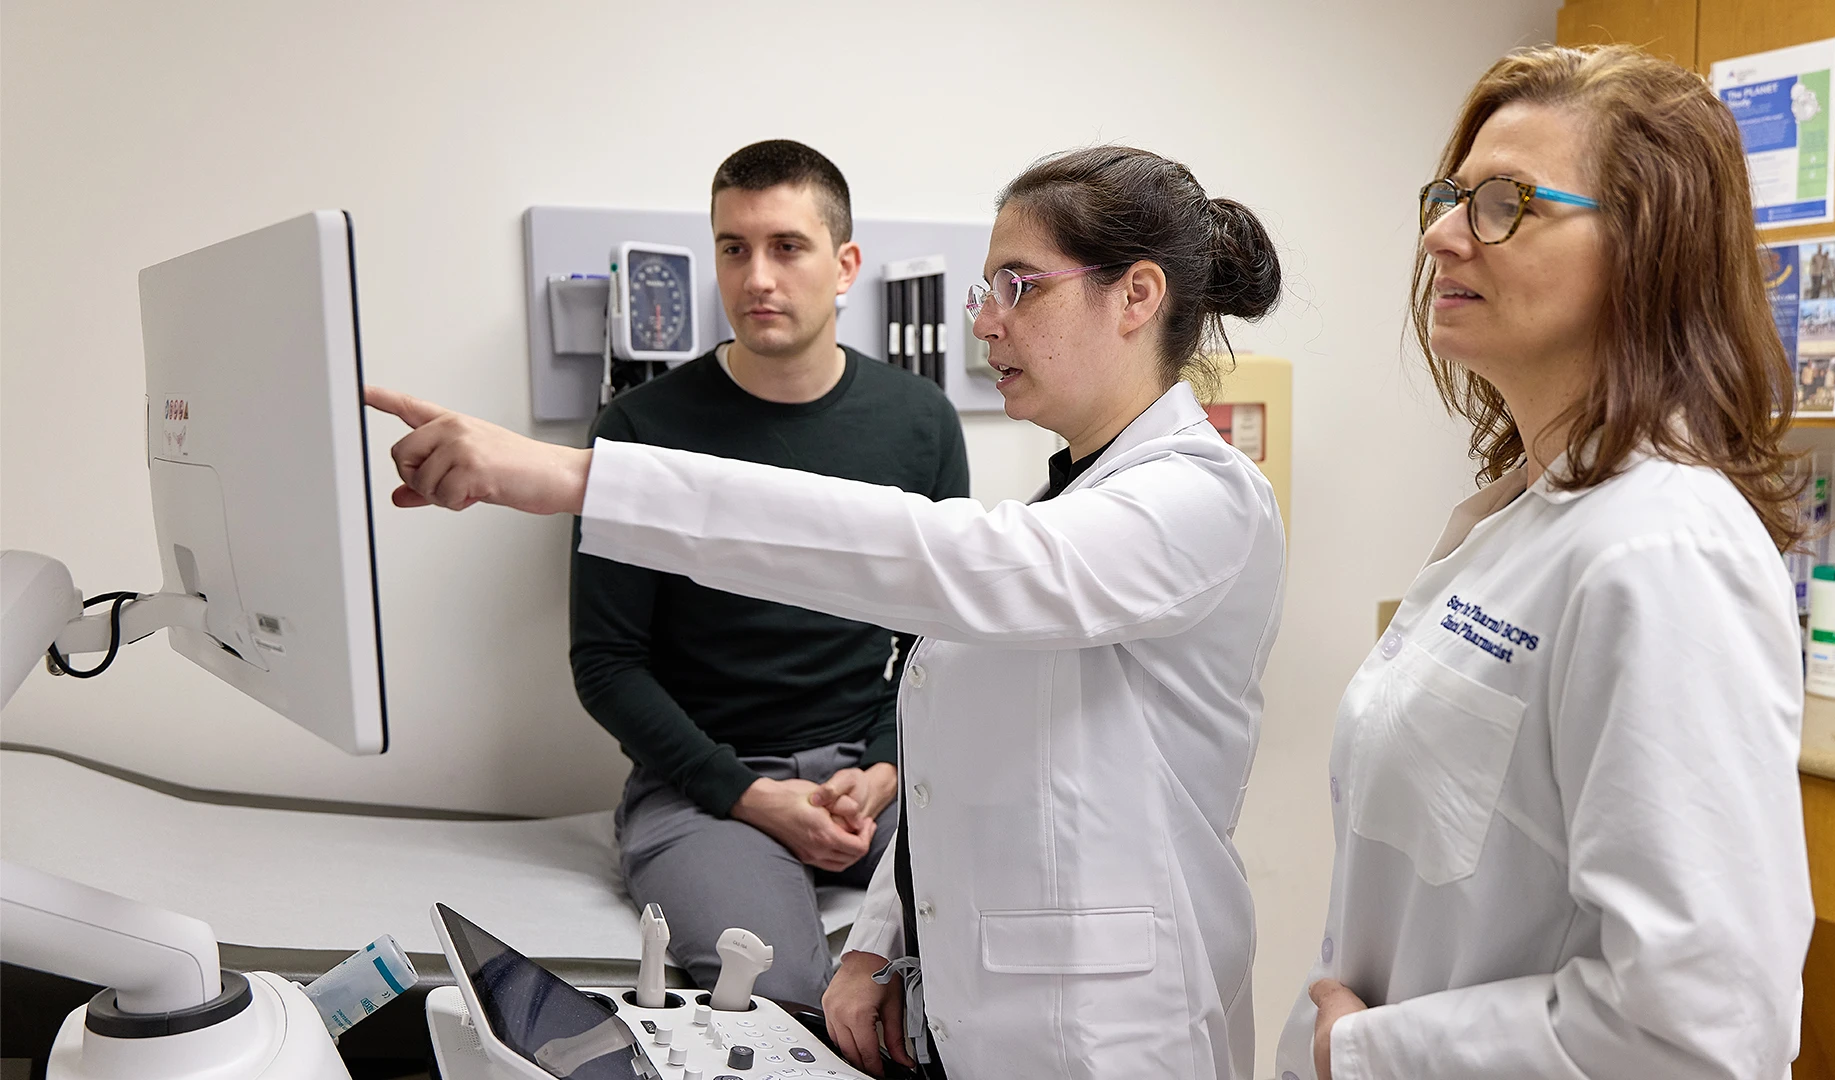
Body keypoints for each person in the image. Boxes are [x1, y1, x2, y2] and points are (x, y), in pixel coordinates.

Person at [366, 144, 1286, 1080]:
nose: (989, 325)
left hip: (1118, 1031)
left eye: (1019, 286)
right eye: (986, 290)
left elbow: (938, 558)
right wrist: (873, 944)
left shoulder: (1200, 500)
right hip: (992, 1012)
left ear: (1136, 296)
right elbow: (949, 777)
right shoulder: (1073, 504)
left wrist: (578, 478)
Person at [1276, 44, 1813, 1080]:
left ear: (1648, 249)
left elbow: (1703, 1028)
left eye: (1504, 203)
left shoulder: (1664, 549)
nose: (1441, 234)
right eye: (1450, 198)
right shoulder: (1530, 515)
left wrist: (1370, 1054)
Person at [571, 139, 969, 1006]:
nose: (758, 277)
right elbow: (605, 665)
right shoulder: (641, 430)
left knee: (996, 940)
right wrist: (749, 795)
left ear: (844, 264)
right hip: (703, 783)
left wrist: (889, 764)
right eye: (733, 247)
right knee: (783, 991)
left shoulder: (921, 424)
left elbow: (940, 644)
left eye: (787, 247)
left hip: (875, 779)